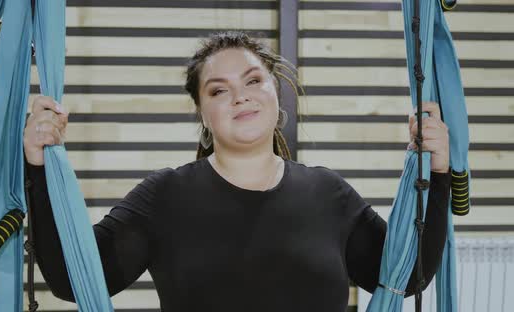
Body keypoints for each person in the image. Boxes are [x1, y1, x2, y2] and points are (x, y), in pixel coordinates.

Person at [23, 31, 451, 311]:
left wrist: (438, 171)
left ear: (274, 93)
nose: (239, 97)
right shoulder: (164, 197)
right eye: (218, 90)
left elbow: (407, 274)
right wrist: (40, 167)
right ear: (203, 115)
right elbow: (70, 278)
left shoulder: (329, 194)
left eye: (252, 81)